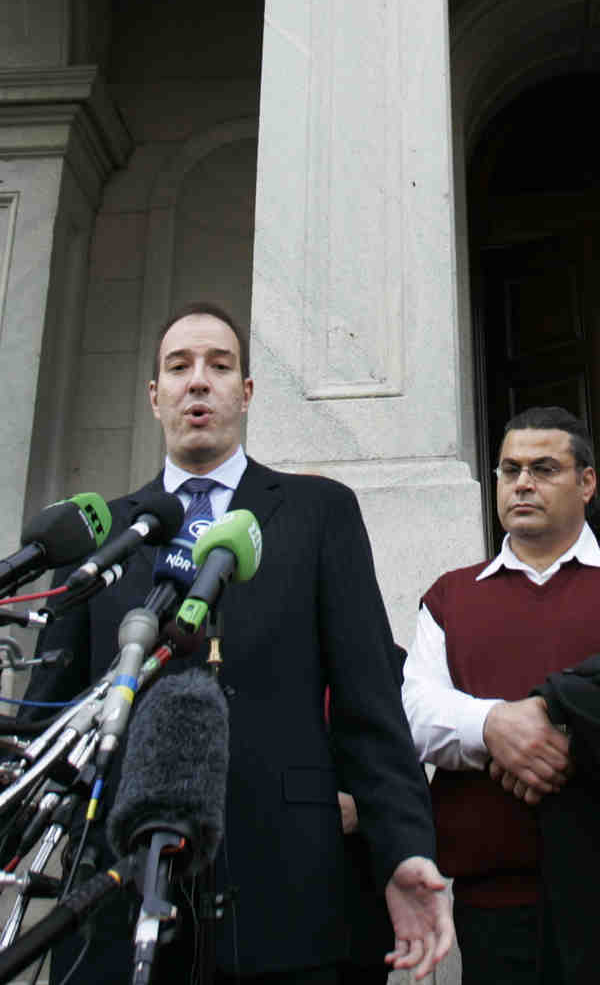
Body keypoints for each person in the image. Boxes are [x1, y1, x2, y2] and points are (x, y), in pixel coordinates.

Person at [36, 300, 455, 983]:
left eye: (220, 365)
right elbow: (44, 724)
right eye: (179, 367)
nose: (198, 381)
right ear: (154, 395)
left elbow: (370, 703)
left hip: (289, 901)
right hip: (117, 904)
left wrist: (402, 847)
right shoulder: (102, 534)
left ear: (247, 391)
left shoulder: (320, 513)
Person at [402, 407, 600, 984]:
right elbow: (416, 712)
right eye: (509, 470)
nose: (522, 483)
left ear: (587, 482)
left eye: (544, 468)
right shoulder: (451, 597)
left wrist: (569, 736)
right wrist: (495, 726)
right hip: (498, 908)